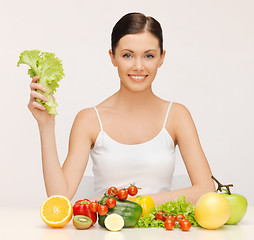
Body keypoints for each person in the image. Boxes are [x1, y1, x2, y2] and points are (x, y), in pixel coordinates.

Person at [28, 12, 215, 206]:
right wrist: (46, 125)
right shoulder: (89, 119)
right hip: (105, 234)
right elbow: (59, 199)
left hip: (161, 233)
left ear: (162, 58)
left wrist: (124, 203)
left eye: (149, 56)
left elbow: (206, 189)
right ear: (113, 57)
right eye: (128, 55)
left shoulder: (177, 116)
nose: (138, 66)